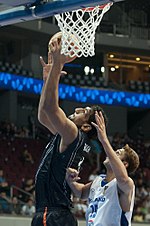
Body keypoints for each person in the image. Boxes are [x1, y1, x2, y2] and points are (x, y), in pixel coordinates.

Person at [31, 32, 107, 226]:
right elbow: (42, 115)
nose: (77, 108)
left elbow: (50, 108)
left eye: (84, 110)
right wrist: (48, 77)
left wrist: (57, 67)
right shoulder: (67, 135)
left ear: (86, 125)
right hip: (55, 213)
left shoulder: (73, 133)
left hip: (53, 213)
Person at [66, 111, 140, 226]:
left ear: (124, 164)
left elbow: (123, 179)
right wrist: (71, 180)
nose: (111, 154)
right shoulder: (98, 180)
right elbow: (80, 192)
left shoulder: (126, 184)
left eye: (117, 153)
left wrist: (104, 139)